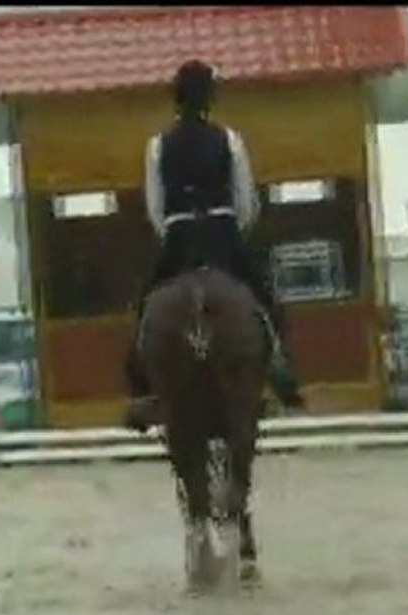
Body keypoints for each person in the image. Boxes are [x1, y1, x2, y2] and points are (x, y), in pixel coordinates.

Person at [124, 59, 304, 425]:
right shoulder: (229, 140)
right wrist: (233, 229)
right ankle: (281, 369)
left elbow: (155, 205)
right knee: (265, 299)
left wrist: (174, 232)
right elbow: (246, 200)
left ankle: (141, 387)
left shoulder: (157, 145)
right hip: (223, 232)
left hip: (178, 236)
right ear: (210, 97)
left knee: (144, 306)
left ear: (177, 97)